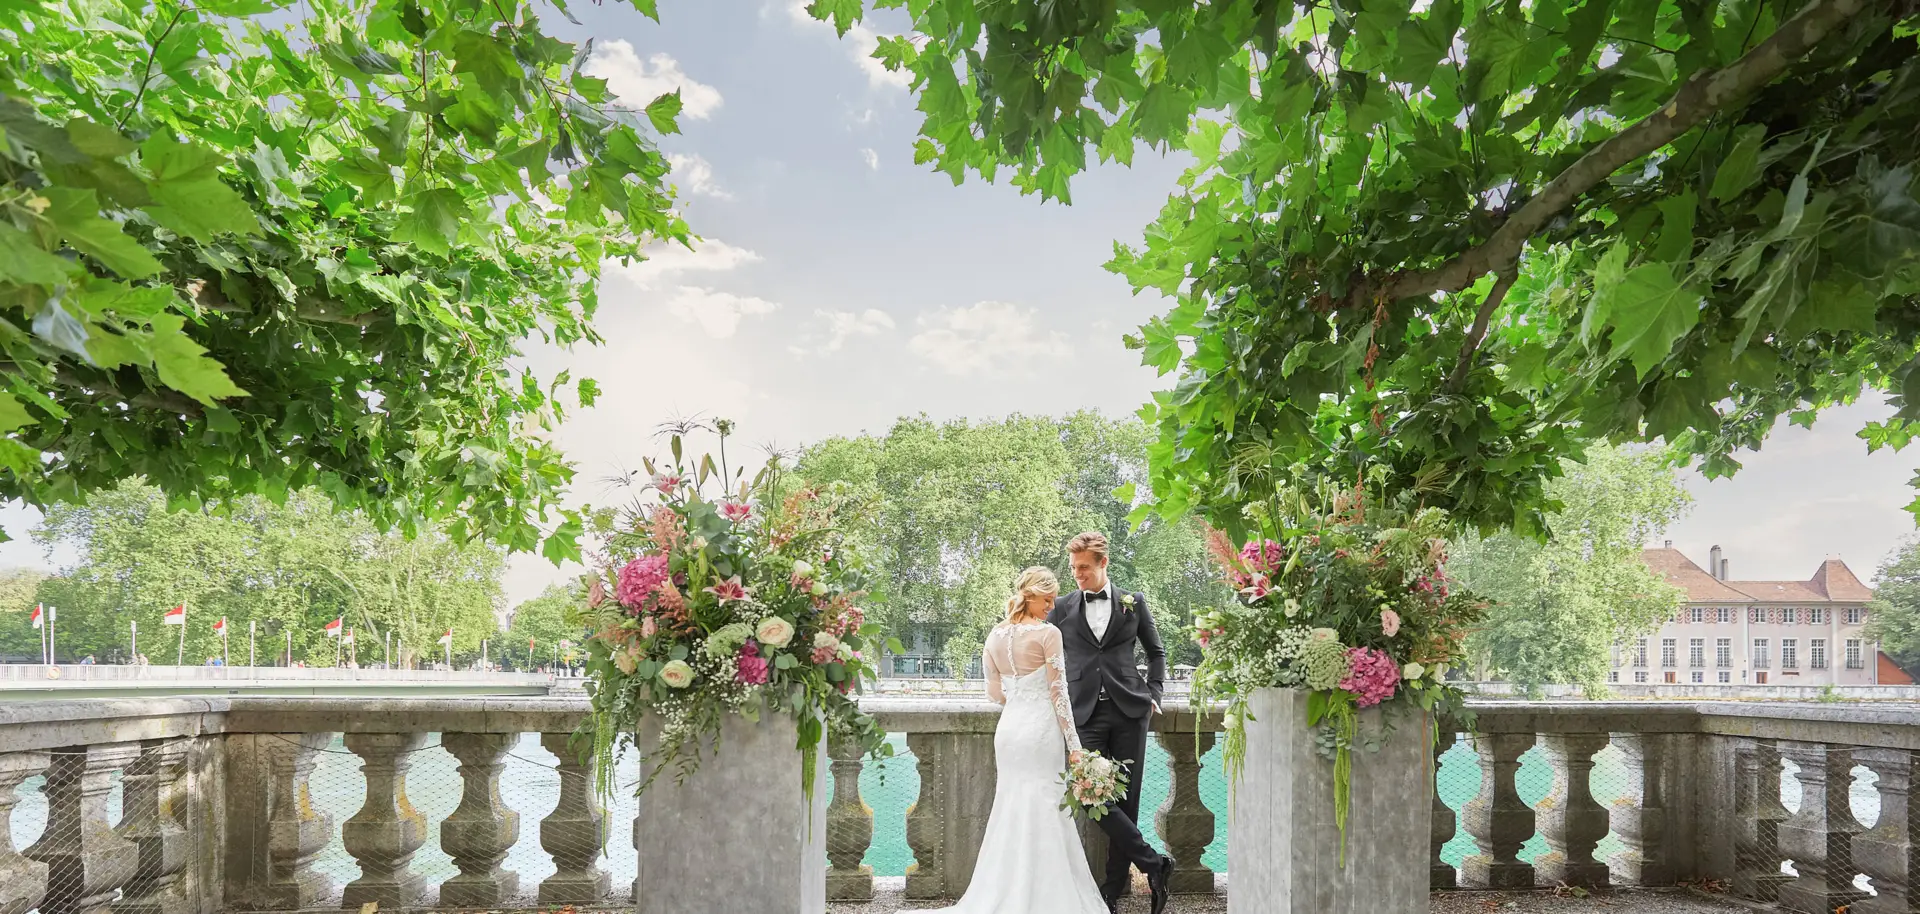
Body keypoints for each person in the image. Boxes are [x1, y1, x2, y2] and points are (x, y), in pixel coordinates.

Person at [901, 567, 1109, 914]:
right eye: (1046, 599)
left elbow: (995, 694)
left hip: (1011, 730)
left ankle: (1005, 889)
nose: (1050, 606)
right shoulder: (1049, 635)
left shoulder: (995, 636)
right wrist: (1076, 748)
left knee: (1011, 808)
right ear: (1031, 596)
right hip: (1041, 731)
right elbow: (1060, 697)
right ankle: (1049, 897)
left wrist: (1020, 695)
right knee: (1046, 806)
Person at [1049, 531, 1173, 914]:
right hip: (1084, 714)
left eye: (1084, 567)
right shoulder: (1061, 607)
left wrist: (1154, 694)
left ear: (1103, 563)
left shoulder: (1133, 604)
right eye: (1073, 568)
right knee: (1090, 795)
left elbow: (1156, 653)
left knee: (1127, 800)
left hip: (1130, 711)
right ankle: (1155, 864)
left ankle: (1112, 890)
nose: (1077, 575)